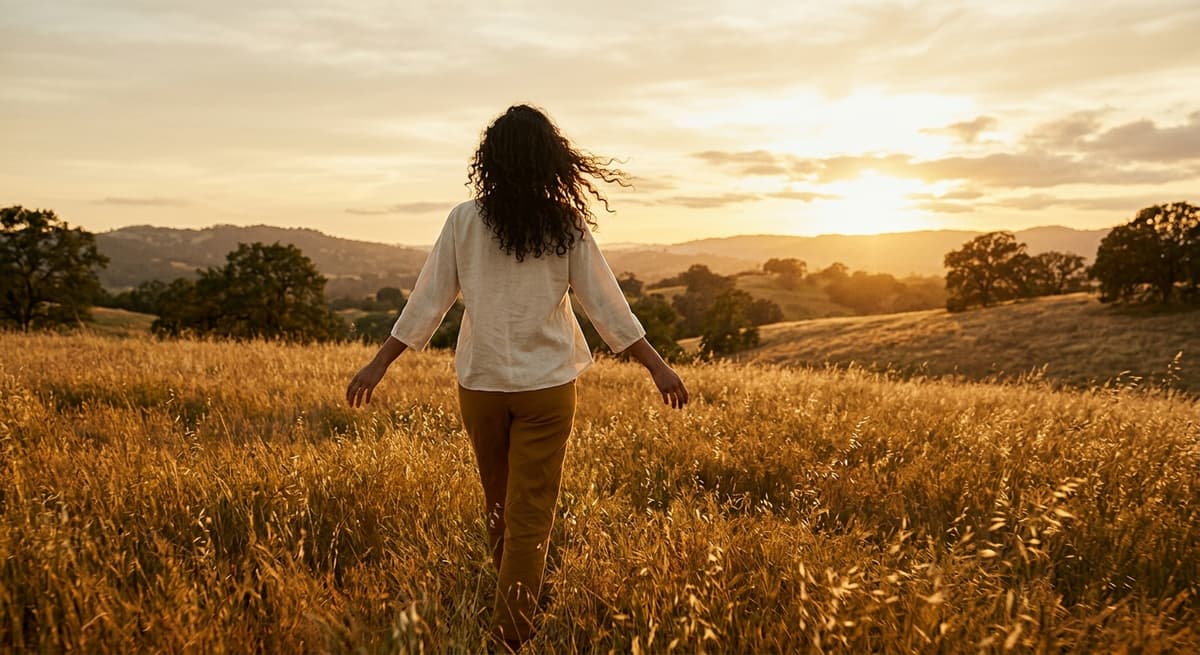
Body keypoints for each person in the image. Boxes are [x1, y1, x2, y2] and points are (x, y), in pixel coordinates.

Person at [345, 104, 688, 651]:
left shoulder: (464, 220)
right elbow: (607, 306)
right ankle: (513, 632)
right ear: (553, 161)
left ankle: (514, 604)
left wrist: (379, 362)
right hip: (547, 387)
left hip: (480, 386)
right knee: (529, 511)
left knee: (501, 504)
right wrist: (658, 365)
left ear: (492, 161)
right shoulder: (566, 224)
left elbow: (428, 302)